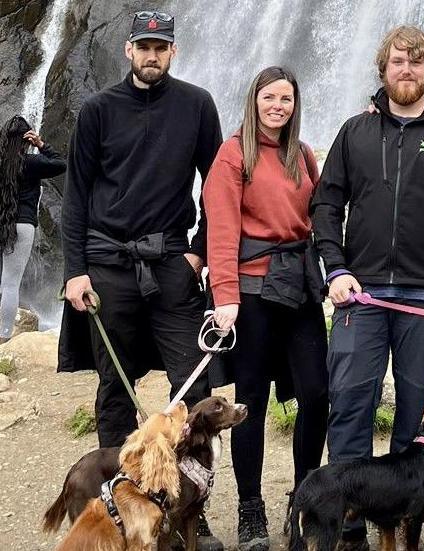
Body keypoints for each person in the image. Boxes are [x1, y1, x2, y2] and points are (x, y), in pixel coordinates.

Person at [311, 25, 424, 550]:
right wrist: (335, 269)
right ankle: (347, 529)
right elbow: (326, 206)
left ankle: (399, 526)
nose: (405, 70)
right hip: (358, 296)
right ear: (383, 70)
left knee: (415, 420)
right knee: (349, 405)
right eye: (396, 63)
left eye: (415, 62)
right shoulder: (354, 132)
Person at [58, 10, 223, 548]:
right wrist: (75, 271)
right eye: (144, 46)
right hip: (108, 269)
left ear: (173, 52)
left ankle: (192, 510)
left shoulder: (197, 105)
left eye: (162, 47)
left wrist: (199, 254)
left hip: (174, 266)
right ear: (128, 50)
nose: (153, 55)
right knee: (113, 389)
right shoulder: (98, 109)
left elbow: (216, 187)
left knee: (196, 388)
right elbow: (77, 194)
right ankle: (122, 509)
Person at [204, 66, 328, 551]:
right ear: (254, 100)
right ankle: (250, 507)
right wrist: (226, 298)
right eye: (269, 97)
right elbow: (220, 229)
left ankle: (306, 496)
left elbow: (322, 213)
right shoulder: (234, 153)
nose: (278, 106)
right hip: (252, 294)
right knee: (250, 402)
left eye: (287, 99)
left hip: (298, 286)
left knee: (317, 393)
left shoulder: (304, 156)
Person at [0, 116, 65, 343]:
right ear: (26, 139)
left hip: (2, 223)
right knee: (10, 282)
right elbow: (60, 164)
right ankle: (3, 338)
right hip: (22, 225)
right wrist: (41, 144)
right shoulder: (31, 163)